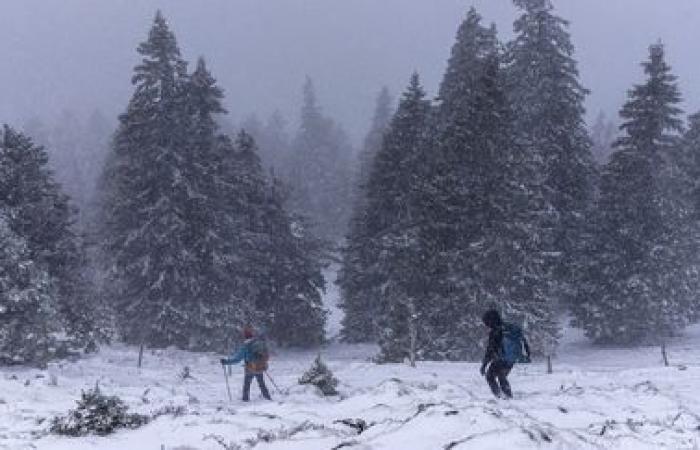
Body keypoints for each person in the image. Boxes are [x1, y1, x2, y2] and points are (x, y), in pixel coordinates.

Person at [479, 309, 531, 399]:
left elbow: (490, 349)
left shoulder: (496, 331)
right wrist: (527, 353)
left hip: (501, 358)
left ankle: (499, 396)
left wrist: (484, 364)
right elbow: (523, 341)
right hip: (511, 359)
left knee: (490, 376)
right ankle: (507, 396)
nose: (486, 325)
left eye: (486, 322)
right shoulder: (508, 328)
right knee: (501, 376)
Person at [220, 326, 271, 402]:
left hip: (250, 367)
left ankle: (245, 400)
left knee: (247, 385)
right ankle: (267, 398)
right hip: (260, 367)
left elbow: (237, 359)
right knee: (261, 383)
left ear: (245, 336)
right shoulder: (259, 343)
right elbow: (266, 354)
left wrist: (226, 362)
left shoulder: (245, 346)